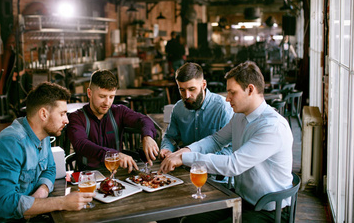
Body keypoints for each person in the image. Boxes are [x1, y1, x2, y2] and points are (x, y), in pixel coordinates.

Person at [159, 61, 293, 222]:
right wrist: (184, 151)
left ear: (250, 90)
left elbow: (233, 165)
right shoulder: (240, 116)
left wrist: (183, 158)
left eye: (232, 92)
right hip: (241, 200)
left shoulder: (273, 127)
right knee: (189, 221)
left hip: (269, 210)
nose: (227, 98)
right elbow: (215, 140)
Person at [0, 82, 95, 222]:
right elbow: (6, 203)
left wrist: (41, 193)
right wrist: (62, 202)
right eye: (62, 114)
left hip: (24, 215)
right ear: (43, 114)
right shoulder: (12, 143)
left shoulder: (42, 134)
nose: (67, 120)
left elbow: (50, 169)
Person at [67, 69, 159, 172]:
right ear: (89, 93)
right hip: (90, 175)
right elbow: (82, 144)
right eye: (102, 96)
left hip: (117, 173)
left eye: (111, 97)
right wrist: (113, 155)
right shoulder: (76, 117)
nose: (107, 102)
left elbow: (144, 119)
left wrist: (147, 136)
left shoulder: (119, 111)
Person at [160, 62, 234, 160]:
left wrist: (199, 161)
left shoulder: (223, 108)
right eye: (182, 90)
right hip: (186, 168)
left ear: (203, 85)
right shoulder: (178, 108)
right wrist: (166, 149)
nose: (186, 95)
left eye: (192, 89)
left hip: (215, 171)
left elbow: (232, 148)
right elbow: (170, 137)